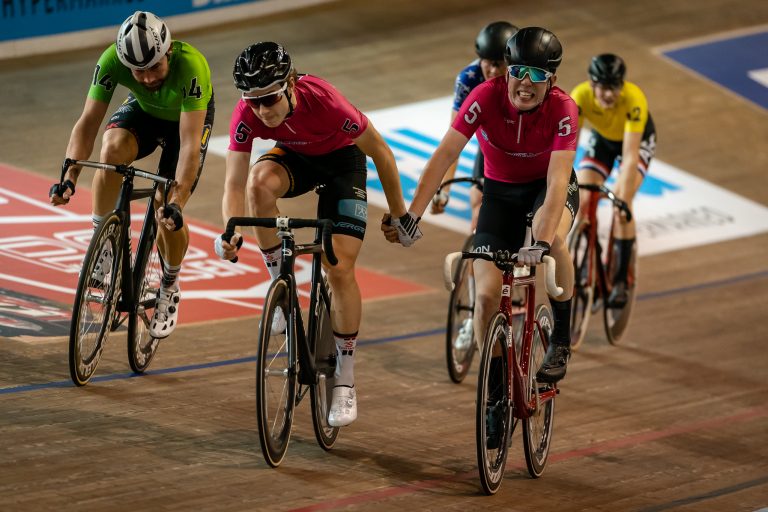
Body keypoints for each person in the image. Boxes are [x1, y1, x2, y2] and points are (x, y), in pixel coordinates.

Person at [216, 42, 413, 427]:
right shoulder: (248, 113)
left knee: (338, 267)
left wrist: (400, 214)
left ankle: (346, 379)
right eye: (252, 101)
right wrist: (229, 229)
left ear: (289, 84)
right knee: (259, 184)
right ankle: (282, 288)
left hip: (343, 164)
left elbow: (382, 154)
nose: (262, 110)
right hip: (297, 158)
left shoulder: (326, 102)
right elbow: (233, 183)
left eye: (269, 98)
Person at [383, 27, 579, 384]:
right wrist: (412, 215)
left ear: (552, 80)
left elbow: (557, 183)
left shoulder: (564, 108)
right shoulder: (484, 96)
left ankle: (562, 339)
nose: (525, 83)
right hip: (500, 194)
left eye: (537, 75)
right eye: (518, 71)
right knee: (487, 298)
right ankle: (495, 391)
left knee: (557, 242)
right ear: (507, 70)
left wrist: (541, 242)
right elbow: (445, 155)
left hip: (544, 189)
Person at [49, 11, 215, 340]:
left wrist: (177, 202)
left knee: (163, 205)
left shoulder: (193, 67)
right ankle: (104, 246)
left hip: (185, 122)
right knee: (111, 151)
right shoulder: (111, 61)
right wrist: (69, 176)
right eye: (139, 71)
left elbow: (189, 147)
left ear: (168, 52)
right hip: (144, 112)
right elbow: (88, 123)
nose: (149, 77)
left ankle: (170, 282)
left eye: (155, 66)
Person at [569, 54, 656, 306]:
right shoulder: (580, 96)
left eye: (614, 87)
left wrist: (623, 199)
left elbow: (629, 157)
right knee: (584, 197)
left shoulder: (634, 98)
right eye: (604, 88)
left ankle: (620, 281)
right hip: (604, 142)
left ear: (622, 85)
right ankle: (592, 263)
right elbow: (569, 148)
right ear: (592, 85)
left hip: (635, 142)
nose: (609, 94)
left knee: (621, 206)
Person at [431, 21, 518, 225]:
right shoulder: (469, 79)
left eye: (501, 64)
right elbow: (453, 141)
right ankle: (473, 254)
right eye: (489, 62)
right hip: (492, 140)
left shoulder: (523, 79)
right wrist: (444, 188)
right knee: (479, 206)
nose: (494, 70)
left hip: (524, 142)